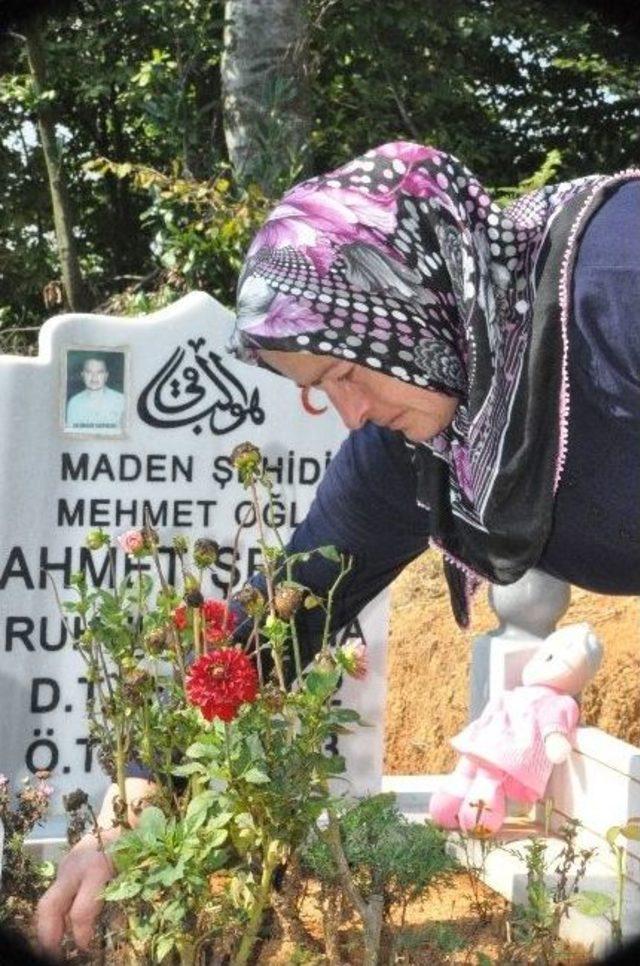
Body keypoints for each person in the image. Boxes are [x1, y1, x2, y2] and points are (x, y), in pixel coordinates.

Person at [37, 141, 640, 956]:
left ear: (406, 306)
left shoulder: (616, 287)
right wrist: (130, 803)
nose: (348, 413)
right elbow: (286, 614)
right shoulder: (415, 450)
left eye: (342, 372)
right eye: (316, 391)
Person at [65, 355, 125, 433]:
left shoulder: (121, 400)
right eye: (89, 372)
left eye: (99, 372)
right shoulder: (74, 403)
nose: (94, 378)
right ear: (82, 375)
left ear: (106, 376)